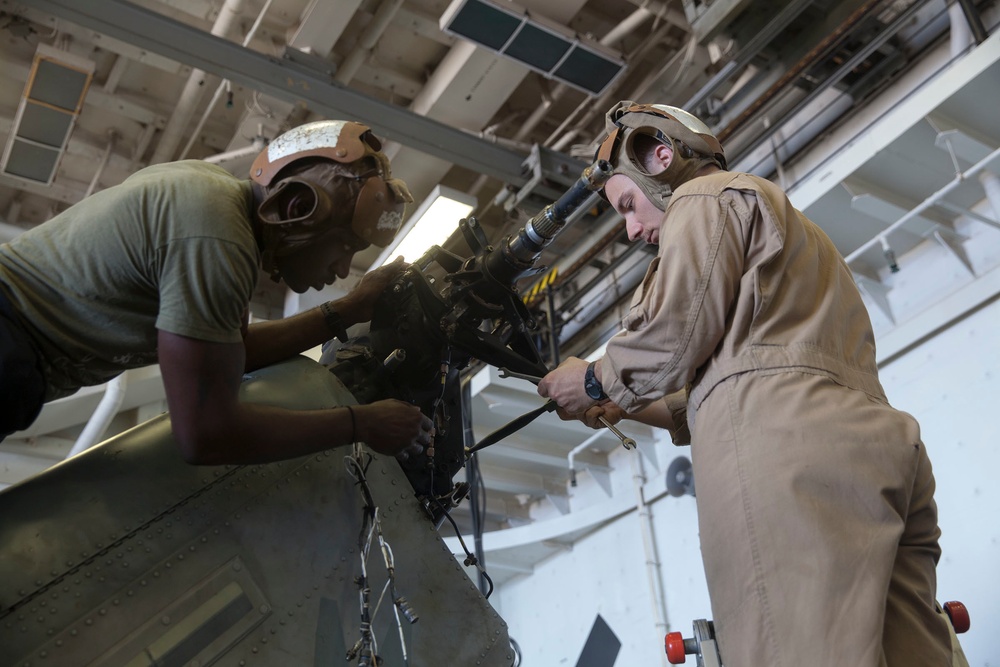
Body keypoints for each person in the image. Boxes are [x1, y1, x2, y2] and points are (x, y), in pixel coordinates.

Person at [537, 101, 965, 666]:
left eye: (628, 204)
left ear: (660, 157)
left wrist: (595, 382)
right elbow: (724, 383)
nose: (633, 228)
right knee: (912, 646)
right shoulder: (794, 232)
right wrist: (622, 405)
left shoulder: (702, 198)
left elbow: (674, 331)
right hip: (876, 449)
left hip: (784, 459)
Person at [0, 119, 435, 464]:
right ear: (298, 207)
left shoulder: (212, 197)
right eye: (344, 247)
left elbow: (230, 351)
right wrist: (360, 424)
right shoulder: (217, 242)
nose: (342, 268)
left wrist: (349, 307)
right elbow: (206, 436)